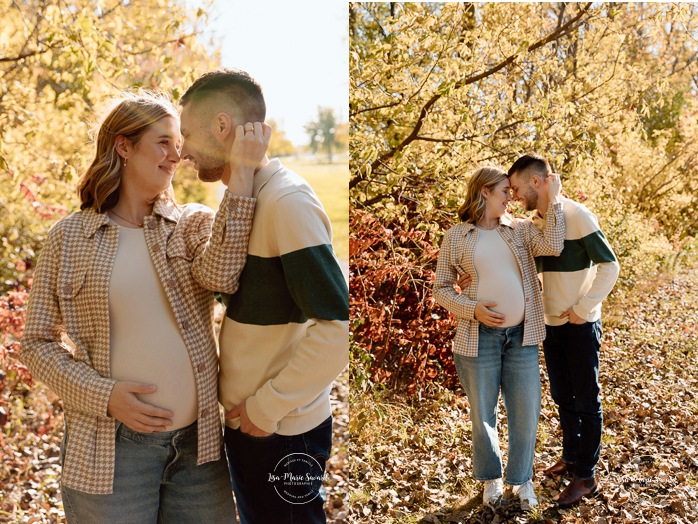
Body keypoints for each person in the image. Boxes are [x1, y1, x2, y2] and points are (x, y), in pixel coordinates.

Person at [20, 91, 269, 522]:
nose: (178, 155)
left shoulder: (191, 223)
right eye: (164, 142)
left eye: (179, 143)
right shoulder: (68, 238)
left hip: (198, 450)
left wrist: (242, 177)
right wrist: (107, 396)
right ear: (123, 146)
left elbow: (223, 275)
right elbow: (36, 344)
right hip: (110, 451)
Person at [178, 68, 349, 524]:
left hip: (280, 430)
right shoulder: (247, 198)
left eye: (188, 134)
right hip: (251, 426)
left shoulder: (286, 202)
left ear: (221, 127)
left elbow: (337, 328)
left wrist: (265, 410)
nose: (183, 152)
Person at [433, 166, 564, 511]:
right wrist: (472, 308)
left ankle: (521, 481)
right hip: (479, 338)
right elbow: (441, 289)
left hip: (523, 336)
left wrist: (555, 199)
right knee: (483, 414)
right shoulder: (456, 237)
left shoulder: (519, 230)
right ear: (484, 192)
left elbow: (553, 244)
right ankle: (491, 478)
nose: (512, 196)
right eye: (505, 190)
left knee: (526, 411)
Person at [508, 153, 619, 507]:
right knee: (563, 397)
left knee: (587, 400)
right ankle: (571, 457)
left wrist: (584, 309)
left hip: (579, 325)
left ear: (537, 182)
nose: (513, 196)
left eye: (516, 188)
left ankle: (585, 477)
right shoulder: (536, 222)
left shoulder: (577, 215)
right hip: (550, 325)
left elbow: (610, 266)